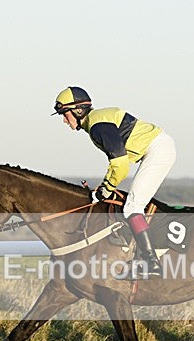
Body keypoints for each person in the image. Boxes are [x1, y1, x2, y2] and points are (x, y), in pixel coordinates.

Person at [52, 86, 176, 277]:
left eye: (64, 113)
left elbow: (120, 165)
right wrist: (106, 187)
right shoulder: (96, 122)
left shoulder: (97, 127)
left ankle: (151, 262)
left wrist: (106, 189)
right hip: (156, 148)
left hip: (157, 150)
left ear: (77, 110)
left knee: (132, 207)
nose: (64, 120)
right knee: (131, 203)